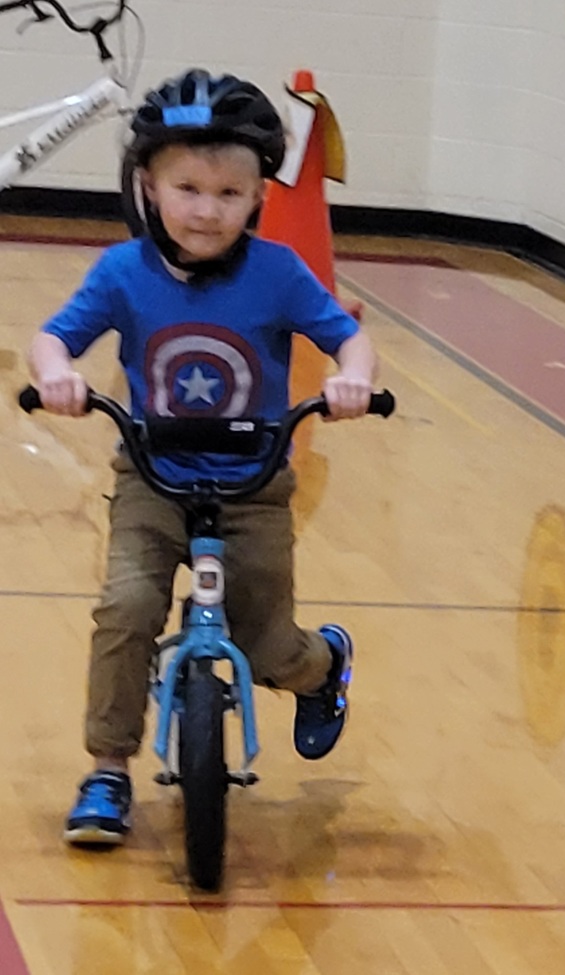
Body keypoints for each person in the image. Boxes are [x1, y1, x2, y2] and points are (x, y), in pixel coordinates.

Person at [27, 69, 378, 846]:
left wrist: (354, 376)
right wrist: (56, 372)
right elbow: (55, 335)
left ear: (258, 196)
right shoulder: (124, 272)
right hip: (152, 477)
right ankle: (108, 769)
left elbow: (347, 335)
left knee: (268, 645)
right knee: (124, 611)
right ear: (149, 187)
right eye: (187, 188)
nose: (206, 210)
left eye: (229, 194)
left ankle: (325, 667)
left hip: (253, 481)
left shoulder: (279, 272)